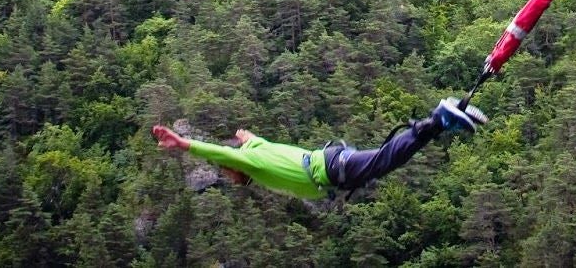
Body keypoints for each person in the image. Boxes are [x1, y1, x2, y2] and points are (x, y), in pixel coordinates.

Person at [150, 98, 486, 200]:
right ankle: (441, 121)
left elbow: (225, 153)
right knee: (385, 160)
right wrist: (246, 137)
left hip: (332, 168)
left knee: (385, 160)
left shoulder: (251, 161)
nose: (229, 175)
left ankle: (438, 120)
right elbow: (250, 140)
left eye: (228, 171)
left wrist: (185, 144)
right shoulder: (259, 150)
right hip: (332, 163)